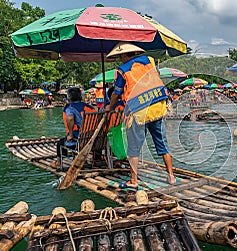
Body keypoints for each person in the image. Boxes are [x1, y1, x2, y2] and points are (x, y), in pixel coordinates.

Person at [106, 42, 176, 190]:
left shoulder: (122, 71)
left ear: (125, 55)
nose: (120, 59)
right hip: (157, 106)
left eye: (120, 56)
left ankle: (134, 180)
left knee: (133, 147)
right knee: (162, 143)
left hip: (139, 111)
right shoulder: (149, 60)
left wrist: (109, 107)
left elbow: (116, 93)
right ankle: (171, 176)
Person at [51, 87, 96, 169]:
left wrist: (70, 134)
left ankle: (58, 163)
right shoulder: (91, 107)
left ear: (68, 98)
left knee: (61, 143)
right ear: (81, 97)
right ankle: (90, 159)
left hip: (80, 142)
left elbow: (70, 118)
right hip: (95, 140)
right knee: (78, 134)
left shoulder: (70, 108)